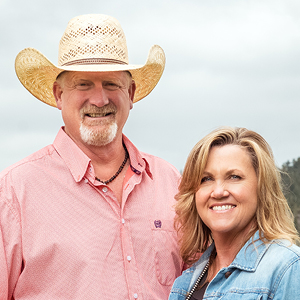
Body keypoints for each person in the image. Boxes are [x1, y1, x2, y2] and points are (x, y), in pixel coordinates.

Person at [0, 14, 183, 300]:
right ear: (59, 94)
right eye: (83, 84)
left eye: (111, 84)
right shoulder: (14, 191)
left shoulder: (170, 182)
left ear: (131, 93)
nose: (100, 99)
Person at [169, 127, 300, 300]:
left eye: (234, 177)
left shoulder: (287, 268)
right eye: (206, 179)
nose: (218, 192)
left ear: (262, 188)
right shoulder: (184, 284)